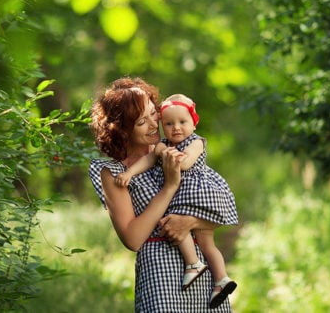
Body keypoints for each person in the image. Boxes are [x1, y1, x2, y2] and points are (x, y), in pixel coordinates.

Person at [89, 78, 234, 313]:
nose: (153, 124)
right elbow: (133, 239)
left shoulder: (176, 149)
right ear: (122, 130)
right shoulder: (114, 172)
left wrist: (190, 221)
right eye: (141, 122)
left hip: (203, 268)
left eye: (153, 114)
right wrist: (169, 187)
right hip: (160, 271)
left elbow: (216, 207)